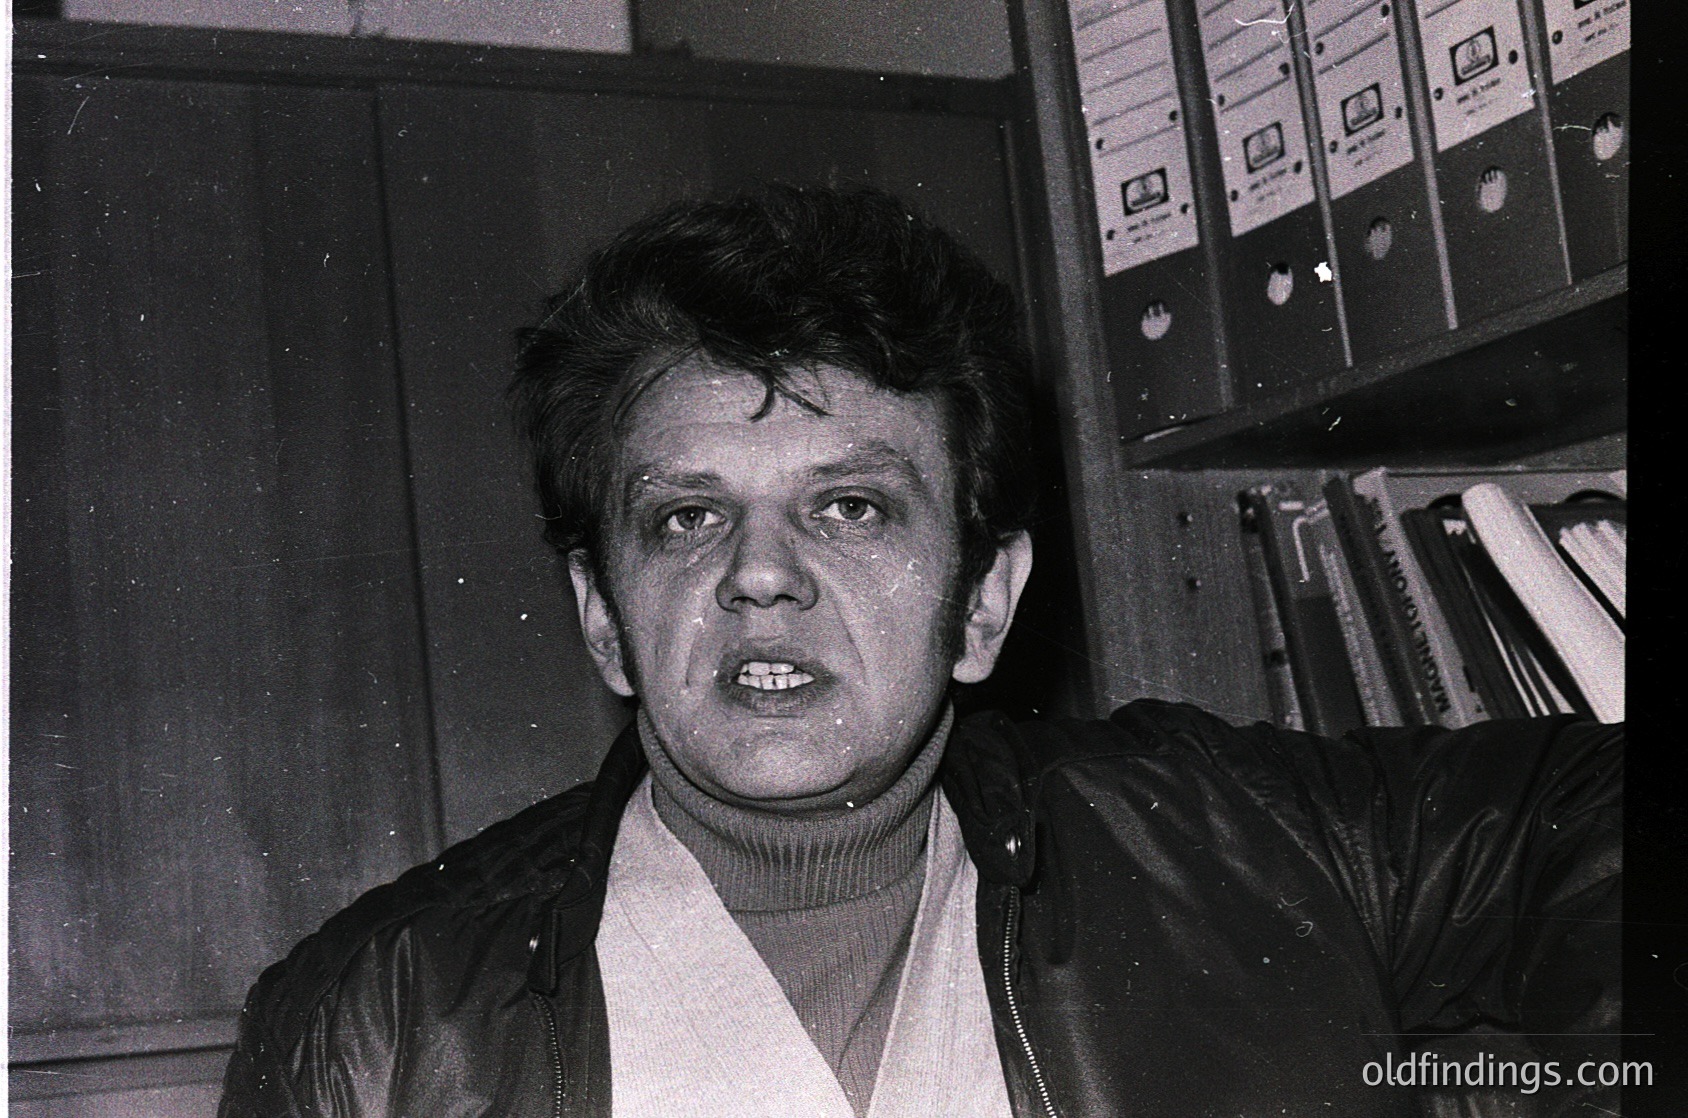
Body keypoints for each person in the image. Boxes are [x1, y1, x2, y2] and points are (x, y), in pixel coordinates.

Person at [218, 185, 1621, 1117]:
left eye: (851, 505)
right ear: (603, 612)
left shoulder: (1260, 851)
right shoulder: (373, 1035)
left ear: (984, 600)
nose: (759, 573)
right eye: (689, 514)